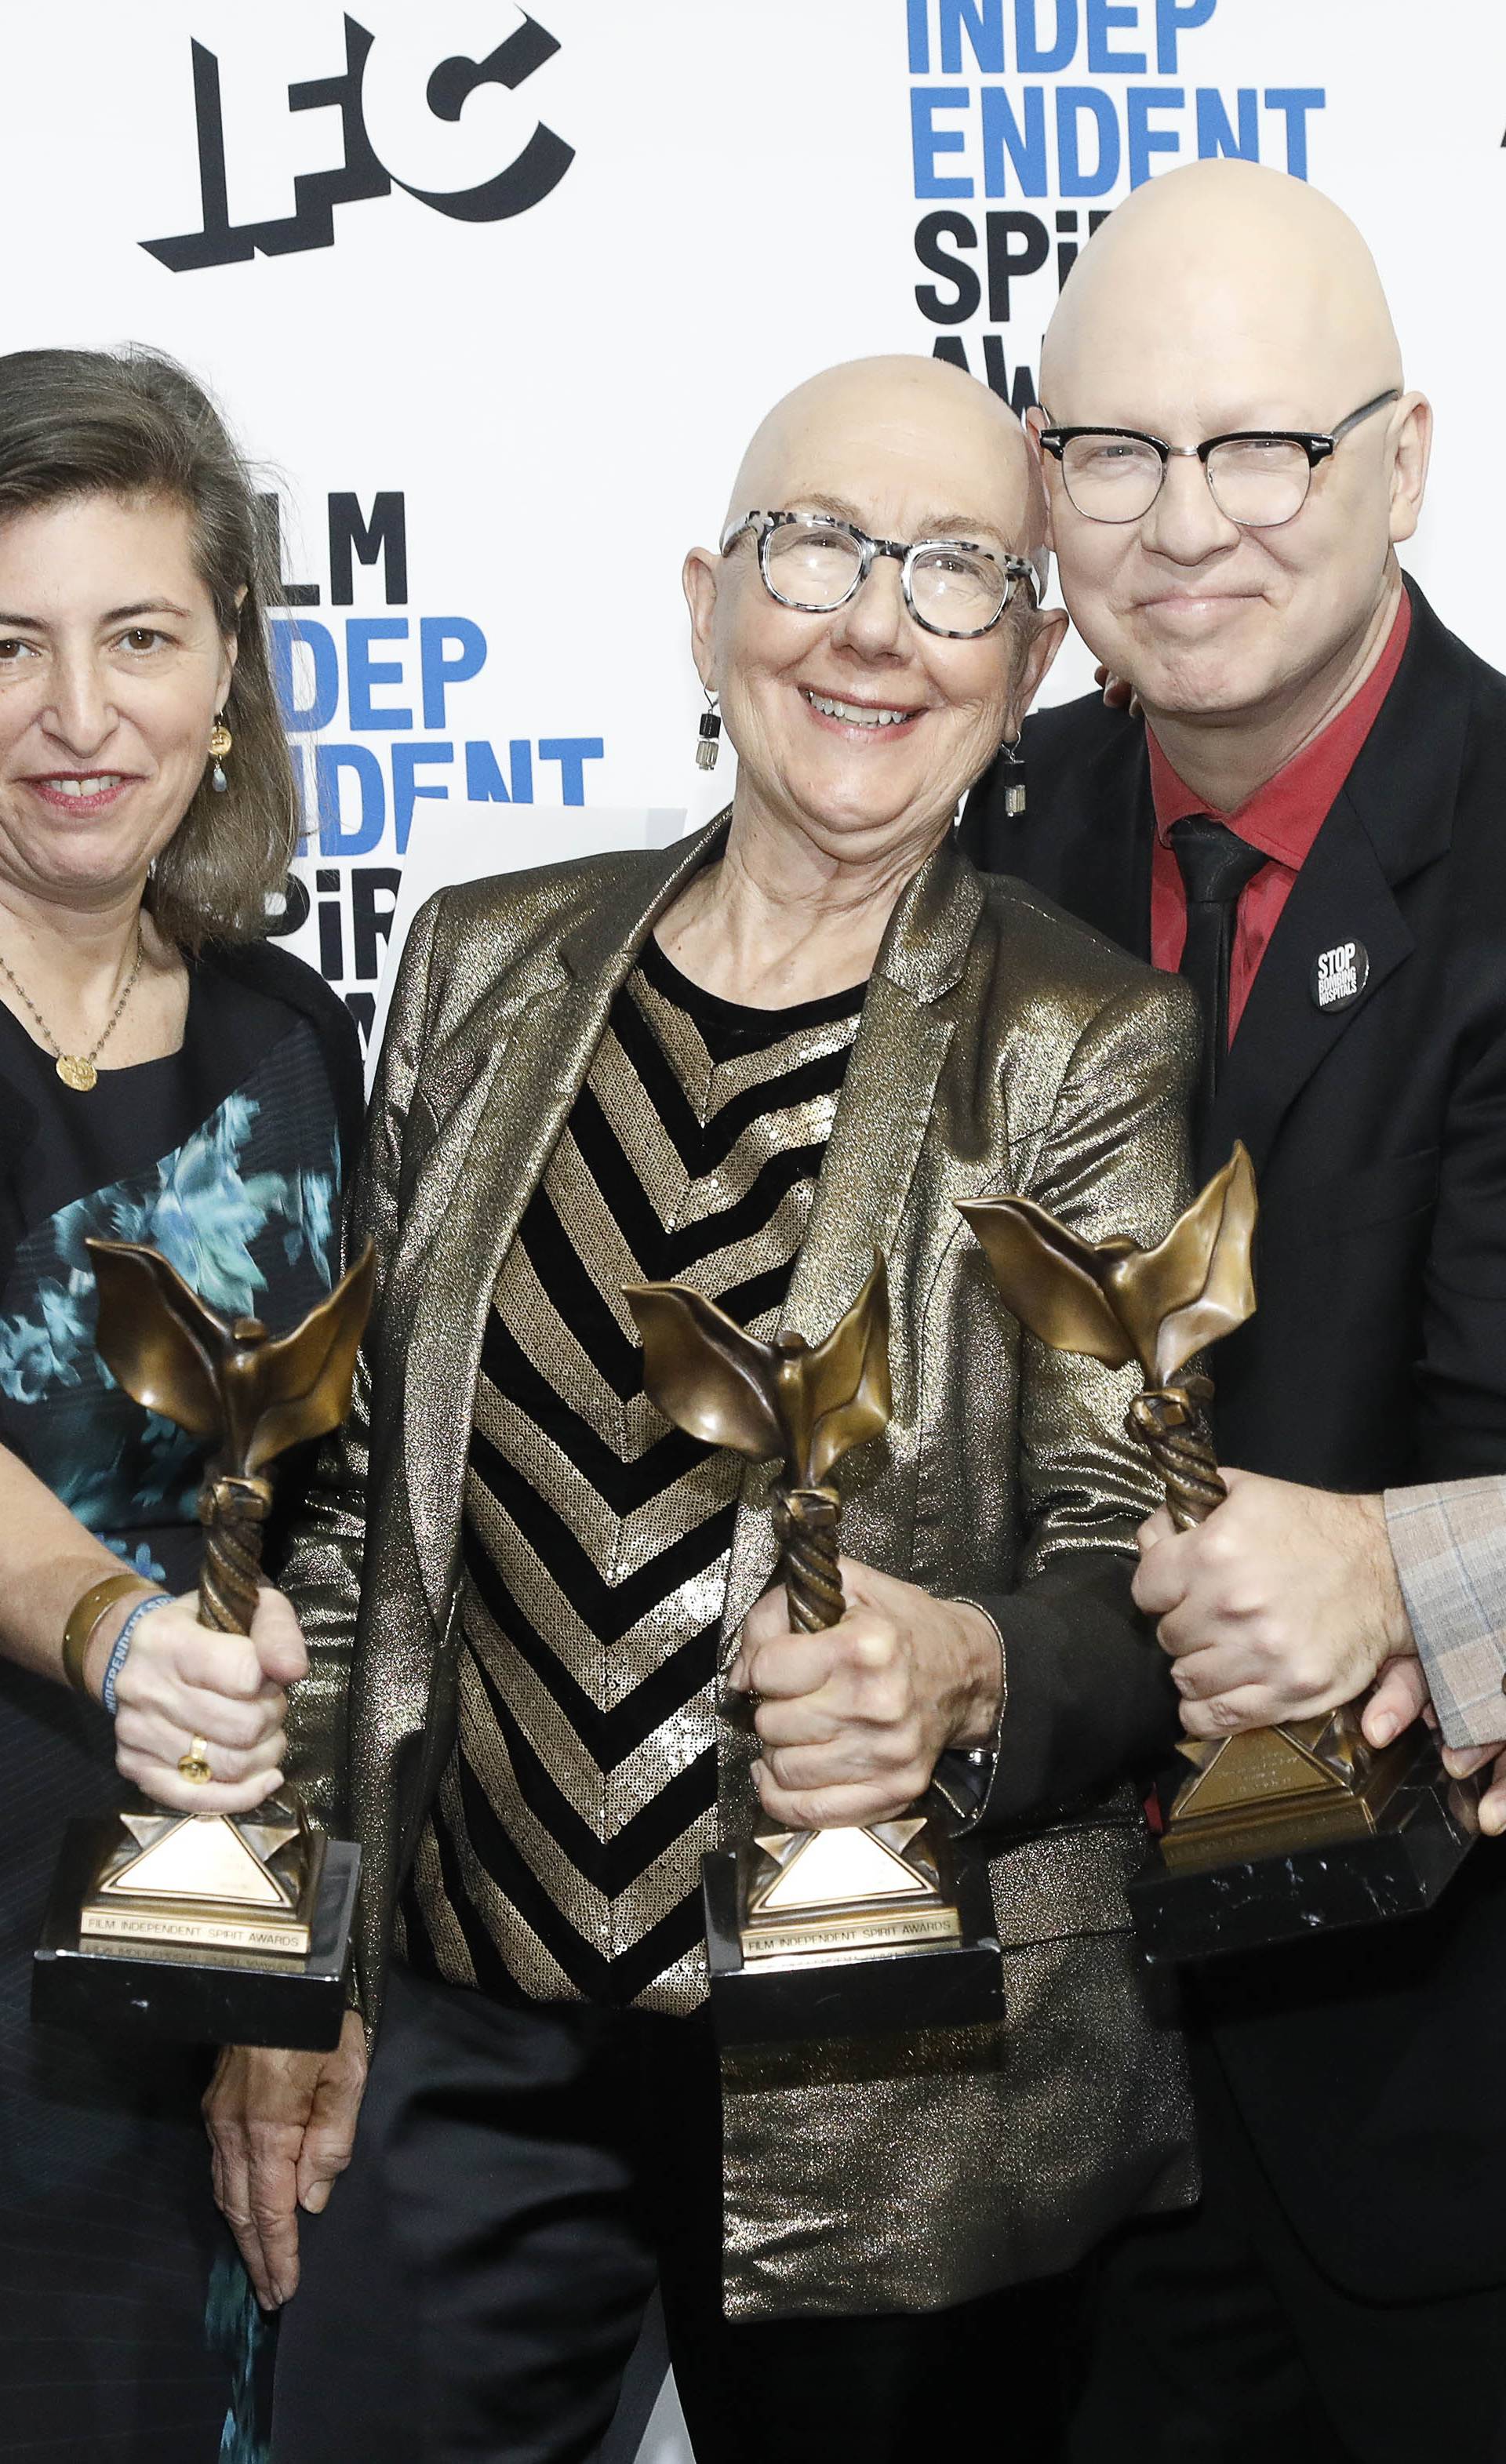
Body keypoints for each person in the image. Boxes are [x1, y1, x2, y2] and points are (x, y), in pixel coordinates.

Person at [206, 353, 1202, 2464]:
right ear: (700, 601)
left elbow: (1146, 1578)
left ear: (1028, 659)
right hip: (464, 2057)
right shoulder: (478, 967)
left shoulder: (1084, 1041)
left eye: (952, 576)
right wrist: (295, 1974)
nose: (870, 623)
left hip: (895, 2093)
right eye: (816, 547)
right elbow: (342, 1517)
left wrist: (968, 1668)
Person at [962, 159, 1506, 2462]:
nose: (1189, 522)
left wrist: (1412, 1567)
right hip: (1062, 2136)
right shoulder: (978, 839)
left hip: (1457, 2128)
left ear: (1406, 458)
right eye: (1115, 452)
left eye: (1264, 445)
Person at [0, 347, 363, 2464]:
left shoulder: (288, 1033)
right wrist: (110, 1628)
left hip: (193, 2008)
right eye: (11, 644)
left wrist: (296, 1978)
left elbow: (344, 1529)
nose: (77, 714)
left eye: (140, 637)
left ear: (228, 673)